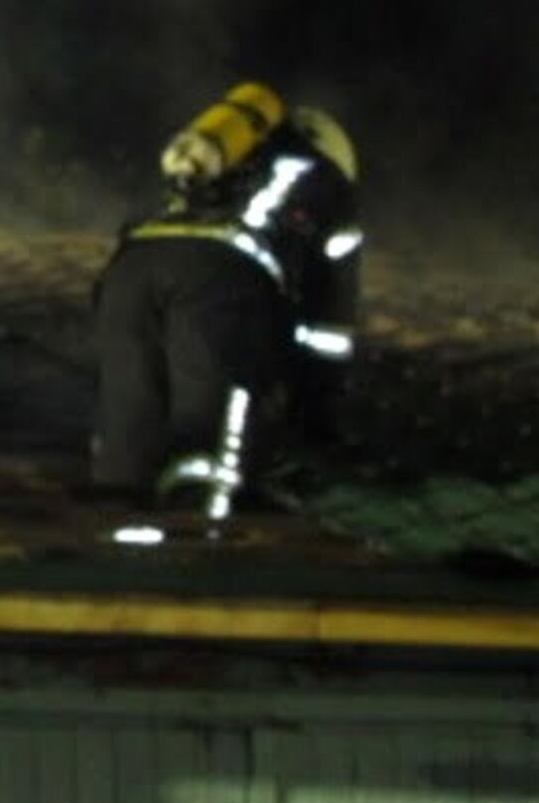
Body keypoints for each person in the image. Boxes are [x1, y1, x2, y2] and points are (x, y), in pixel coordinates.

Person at [91, 82, 361, 521]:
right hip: (223, 286)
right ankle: (201, 562)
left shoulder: (216, 167)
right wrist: (318, 420)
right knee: (206, 462)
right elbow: (328, 327)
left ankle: (119, 566)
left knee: (126, 461)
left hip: (129, 275)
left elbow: (131, 233)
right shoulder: (328, 187)